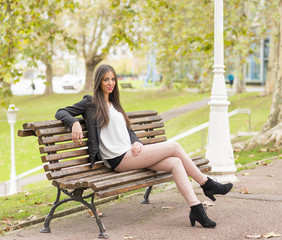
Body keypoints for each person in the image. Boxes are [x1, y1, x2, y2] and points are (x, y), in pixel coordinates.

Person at [55, 64, 233, 228]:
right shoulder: (90, 103)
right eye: (106, 79)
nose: (110, 83)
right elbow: (61, 111)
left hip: (131, 154)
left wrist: (137, 142)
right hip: (117, 158)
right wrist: (74, 123)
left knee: (175, 163)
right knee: (175, 147)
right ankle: (206, 183)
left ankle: (196, 209)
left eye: (113, 79)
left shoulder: (115, 105)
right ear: (99, 82)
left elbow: (127, 130)